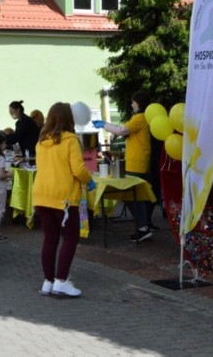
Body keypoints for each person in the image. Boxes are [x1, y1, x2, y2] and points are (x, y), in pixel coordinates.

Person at [33, 102, 95, 297]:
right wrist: (90, 181)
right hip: (64, 198)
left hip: (42, 195)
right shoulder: (71, 140)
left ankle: (48, 281)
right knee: (70, 238)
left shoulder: (42, 141)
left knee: (50, 238)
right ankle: (61, 280)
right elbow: (78, 169)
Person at [92, 91, 153, 242]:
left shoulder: (139, 118)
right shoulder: (142, 119)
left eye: (133, 102)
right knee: (136, 195)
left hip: (136, 164)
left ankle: (143, 227)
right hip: (138, 162)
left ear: (138, 103)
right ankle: (144, 226)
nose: (131, 105)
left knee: (132, 195)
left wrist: (104, 124)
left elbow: (121, 130)